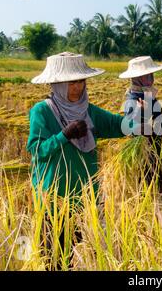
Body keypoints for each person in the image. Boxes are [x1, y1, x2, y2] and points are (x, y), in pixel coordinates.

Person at [27, 52, 133, 269]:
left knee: (79, 254)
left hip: (85, 197)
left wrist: (141, 124)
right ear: (57, 84)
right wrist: (63, 135)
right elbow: (37, 149)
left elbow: (117, 125)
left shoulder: (89, 111)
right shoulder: (42, 112)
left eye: (81, 81)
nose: (78, 87)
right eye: (71, 82)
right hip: (54, 200)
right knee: (54, 259)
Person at [120, 56, 162, 195]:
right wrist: (139, 111)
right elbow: (130, 128)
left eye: (151, 74)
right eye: (147, 75)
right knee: (150, 190)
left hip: (160, 152)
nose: (151, 78)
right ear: (137, 78)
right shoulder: (133, 101)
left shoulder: (147, 95)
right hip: (149, 156)